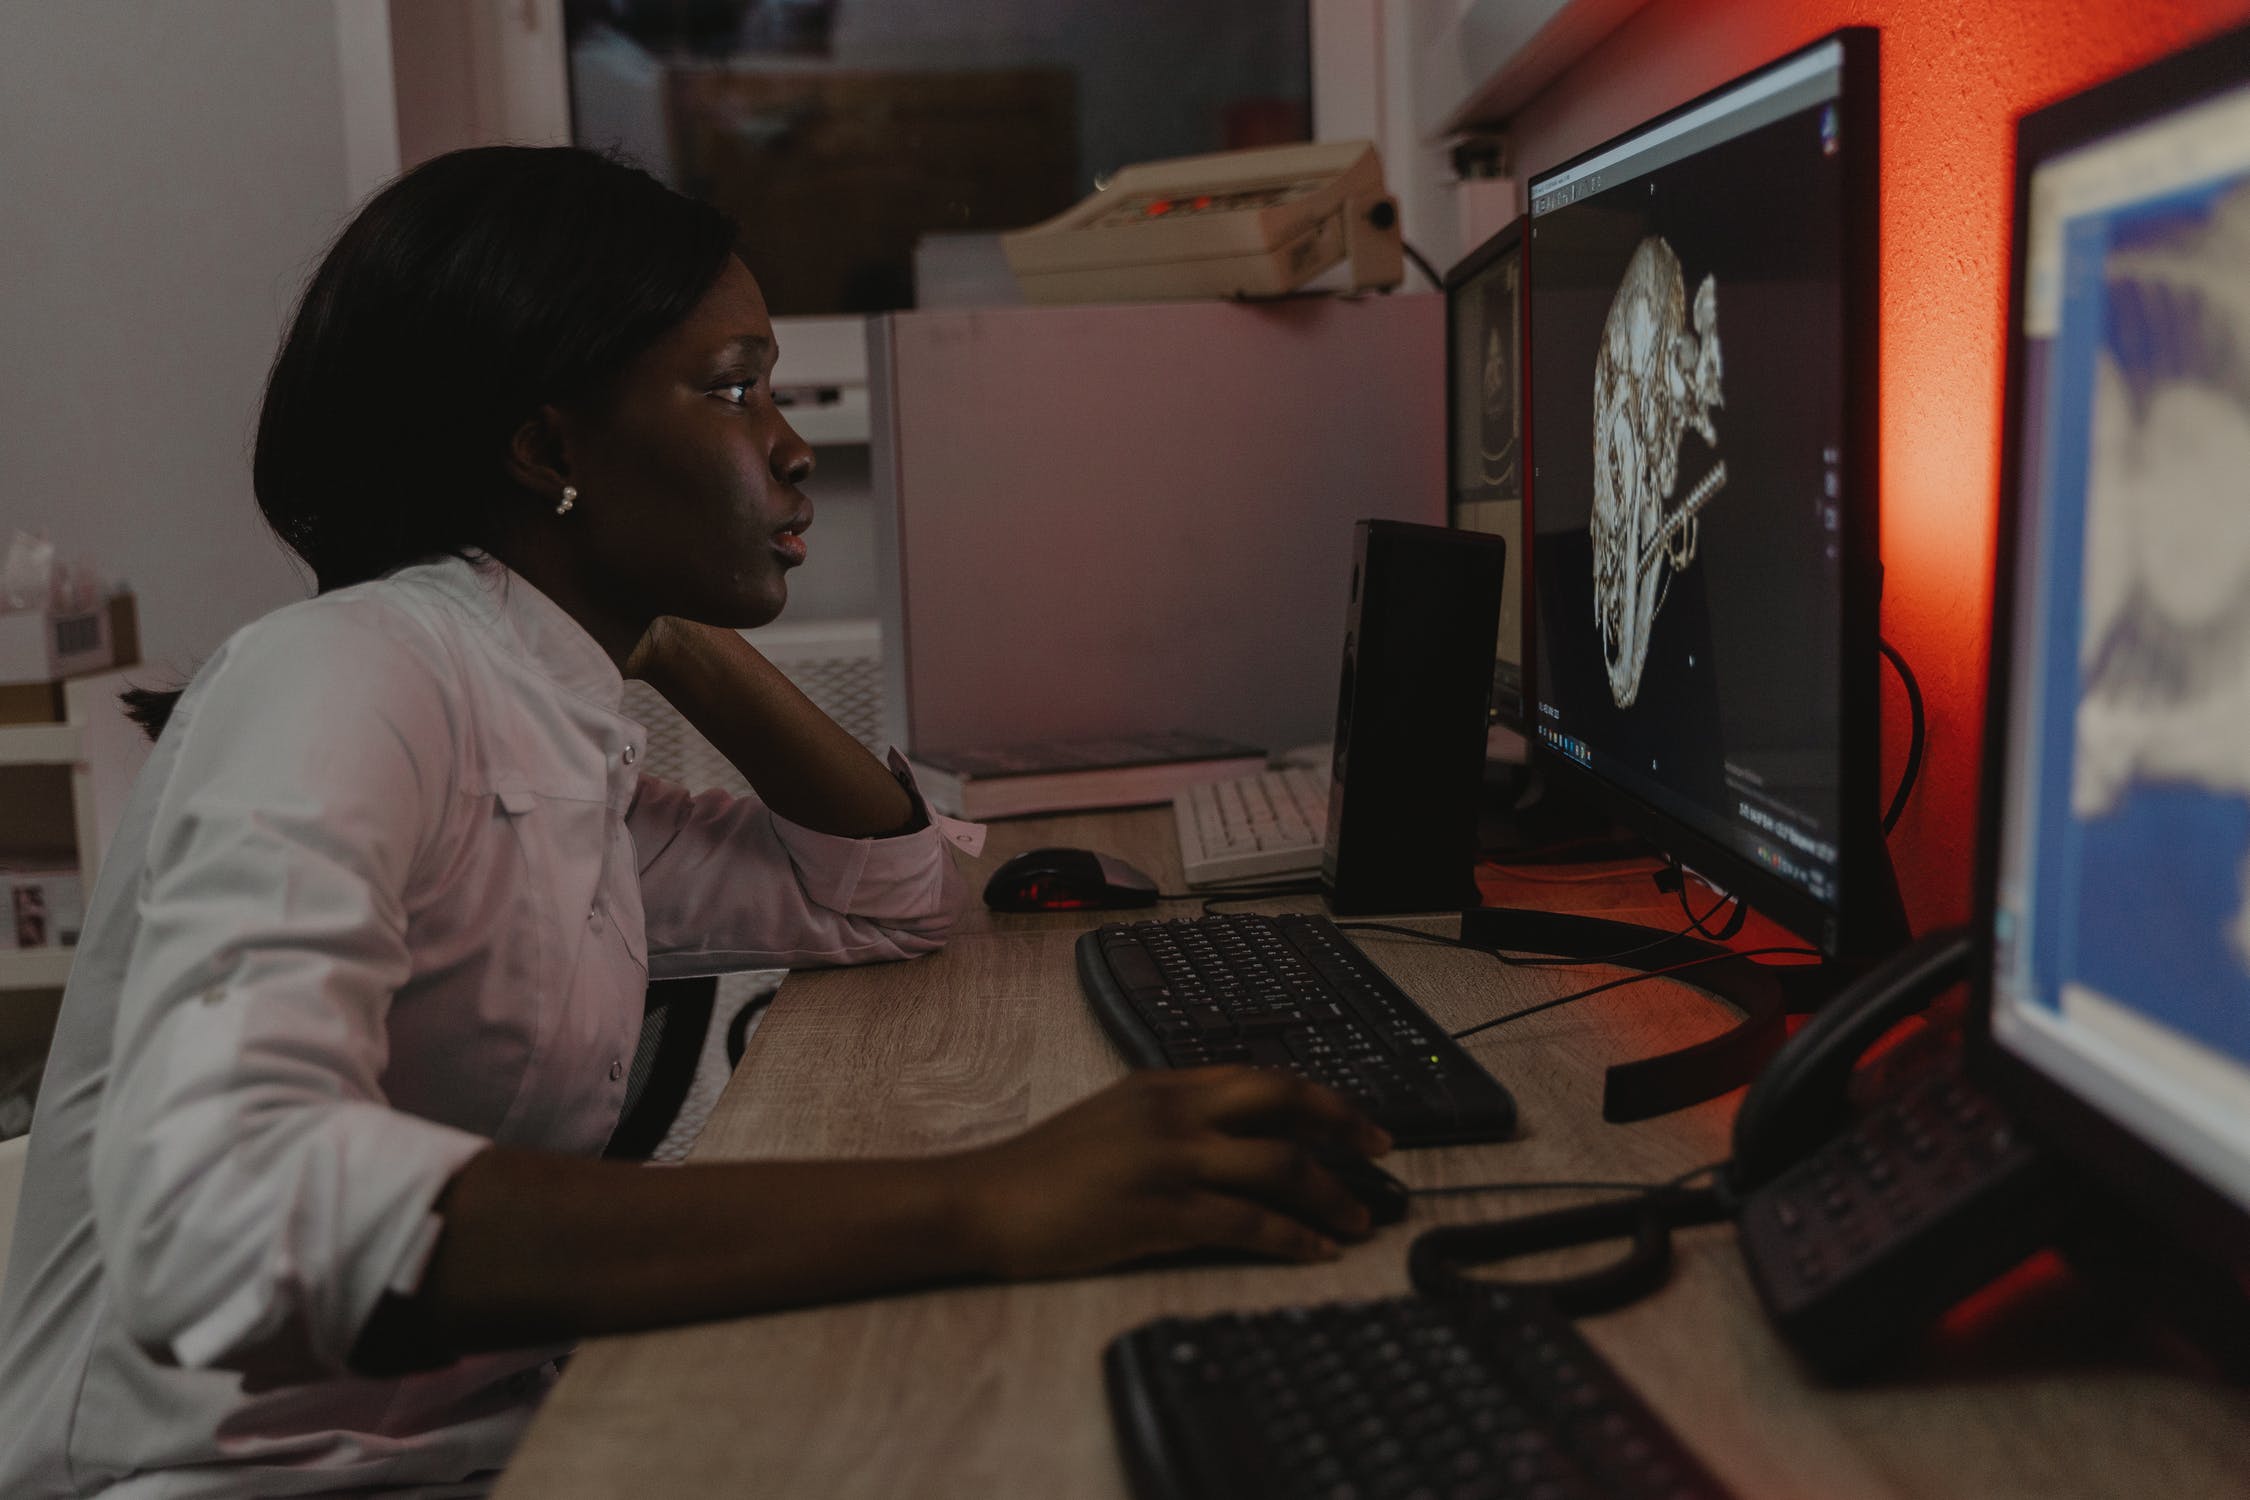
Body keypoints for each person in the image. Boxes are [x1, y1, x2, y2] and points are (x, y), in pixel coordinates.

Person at [0, 147, 1390, 1497]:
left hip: (462, 1433)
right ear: (548, 443)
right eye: (732, 392)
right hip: (199, 1474)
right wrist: (984, 1200)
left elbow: (880, 892)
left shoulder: (544, 716)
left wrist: (664, 631)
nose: (789, 451)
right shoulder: (350, 674)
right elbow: (219, 1210)